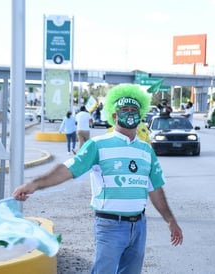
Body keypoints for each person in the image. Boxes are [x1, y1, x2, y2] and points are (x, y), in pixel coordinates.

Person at [12, 84, 183, 273]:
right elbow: (68, 169)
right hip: (111, 226)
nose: (129, 113)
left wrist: (170, 221)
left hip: (139, 226)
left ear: (140, 114)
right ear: (114, 115)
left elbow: (155, 189)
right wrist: (34, 184)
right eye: (124, 110)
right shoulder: (97, 145)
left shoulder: (146, 150)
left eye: (133, 110)